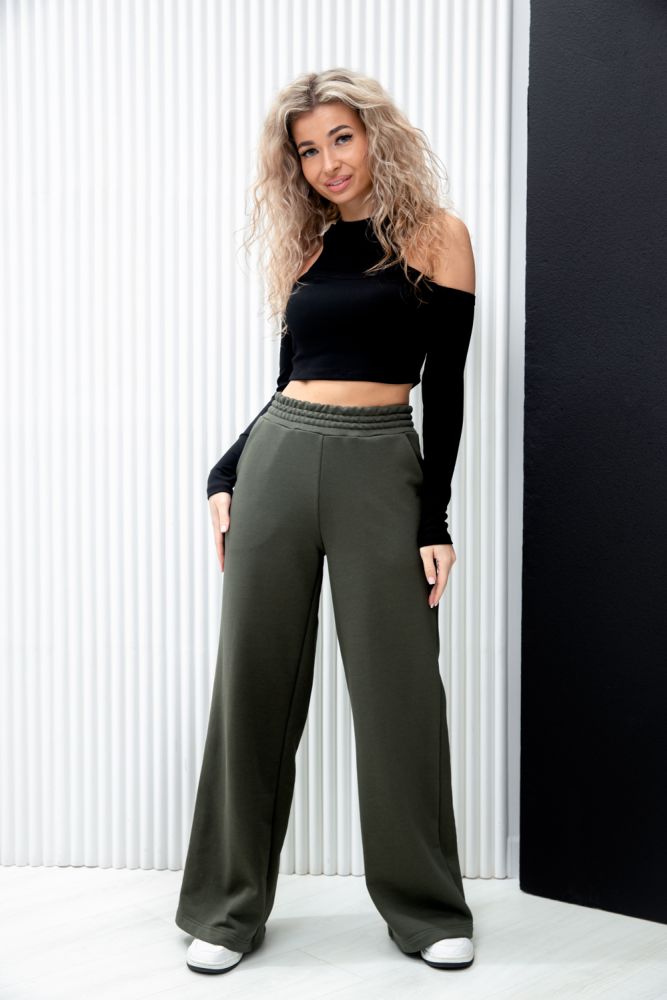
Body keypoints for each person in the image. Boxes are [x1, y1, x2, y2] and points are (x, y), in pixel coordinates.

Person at [175, 67, 477, 976]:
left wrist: (434, 518)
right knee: (253, 681)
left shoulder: (438, 236)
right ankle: (227, 909)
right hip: (278, 458)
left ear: (377, 134)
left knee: (399, 689)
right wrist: (227, 470)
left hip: (381, 463)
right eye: (308, 150)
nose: (327, 162)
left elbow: (446, 388)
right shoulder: (307, 249)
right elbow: (290, 380)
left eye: (341, 138)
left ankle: (425, 908)